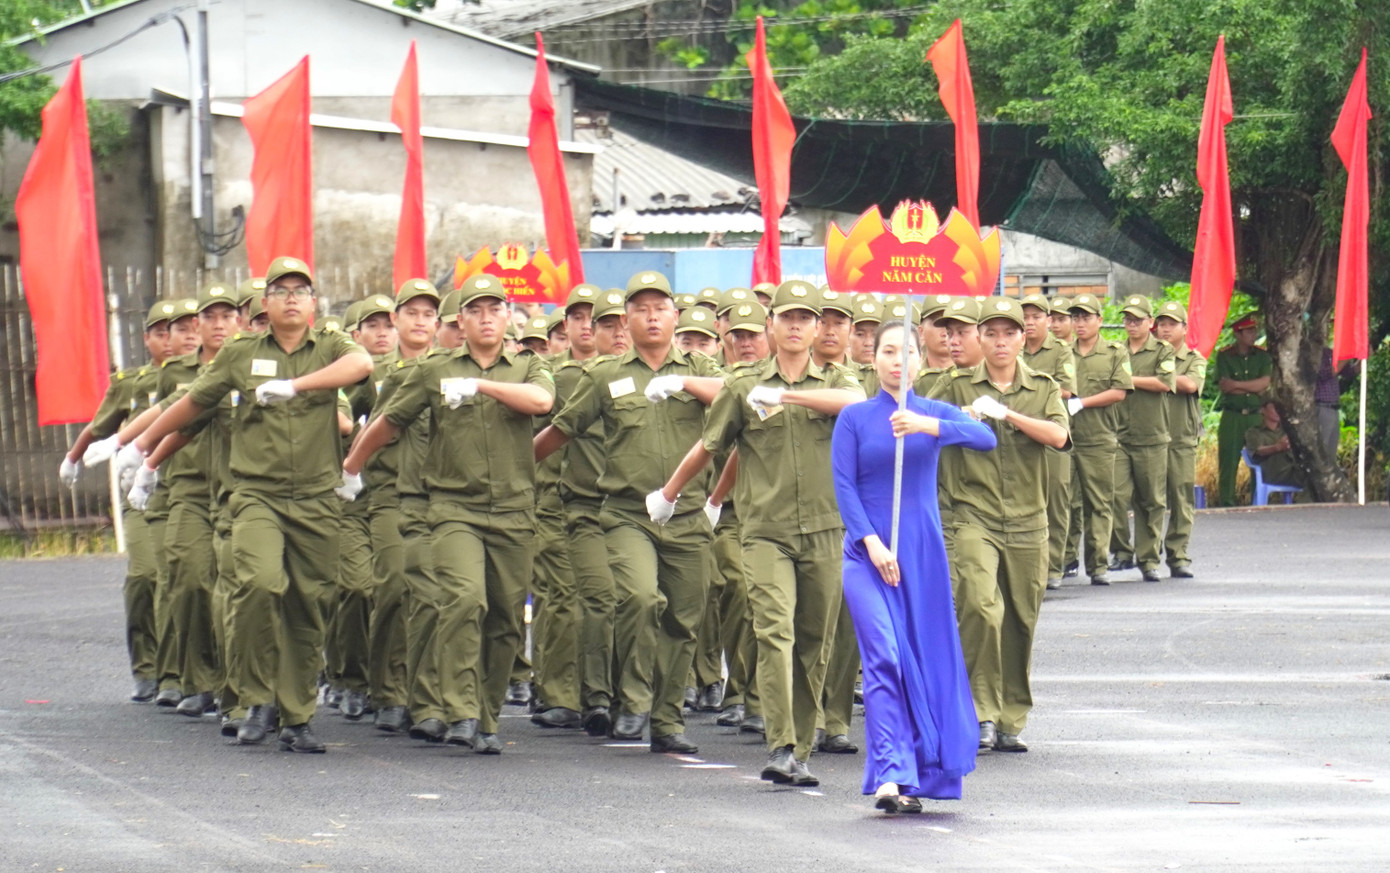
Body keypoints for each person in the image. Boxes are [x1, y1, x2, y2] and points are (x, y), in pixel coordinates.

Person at [126, 256, 374, 753]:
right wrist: (141, 448)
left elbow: (362, 366)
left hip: (316, 498)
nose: (290, 299)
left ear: (313, 302)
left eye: (299, 291)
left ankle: (296, 715)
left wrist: (297, 385)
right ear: (265, 303)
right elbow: (194, 403)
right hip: (257, 495)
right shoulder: (240, 354)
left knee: (308, 604)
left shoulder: (330, 346)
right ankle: (255, 698)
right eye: (280, 291)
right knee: (258, 585)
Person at [656, 280, 865, 786]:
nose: (795, 326)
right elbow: (711, 446)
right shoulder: (743, 384)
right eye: (786, 317)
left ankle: (803, 745)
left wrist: (788, 396)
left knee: (814, 641)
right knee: (774, 631)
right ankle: (781, 743)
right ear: (771, 325)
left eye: (805, 318)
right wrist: (670, 494)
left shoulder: (838, 379)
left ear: (817, 328)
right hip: (765, 530)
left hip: (825, 527)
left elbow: (855, 402)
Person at [344, 274, 554, 754]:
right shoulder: (434, 370)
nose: (485, 318)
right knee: (463, 600)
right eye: (475, 311)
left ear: (508, 316)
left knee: (505, 618)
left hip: (514, 511)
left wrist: (480, 385)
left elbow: (543, 402)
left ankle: (486, 715)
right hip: (453, 508)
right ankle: (460, 710)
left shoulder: (528, 365)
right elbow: (389, 421)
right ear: (460, 320)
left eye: (494, 309)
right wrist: (352, 466)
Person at [535, 271, 724, 754]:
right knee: (639, 599)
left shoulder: (701, 366)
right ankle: (634, 701)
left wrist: (684, 382)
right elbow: (562, 429)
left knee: (683, 620)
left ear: (675, 316)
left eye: (660, 309)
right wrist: (514, 470)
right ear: (626, 319)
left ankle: (667, 720)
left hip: (687, 515)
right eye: (640, 309)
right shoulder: (605, 375)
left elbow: (734, 397)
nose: (651, 317)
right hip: (627, 514)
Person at [832, 320, 994, 812]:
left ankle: (919, 772)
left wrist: (928, 426)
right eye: (887, 351)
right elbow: (844, 487)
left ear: (920, 361)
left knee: (922, 658)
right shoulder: (854, 417)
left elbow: (985, 438)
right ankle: (890, 773)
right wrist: (871, 543)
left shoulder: (933, 411)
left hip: (921, 555)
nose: (897, 360)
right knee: (884, 656)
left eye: (906, 351)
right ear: (872, 358)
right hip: (867, 555)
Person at [930, 298, 1070, 753]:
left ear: (1022, 338)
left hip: (1029, 520)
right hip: (974, 514)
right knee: (979, 605)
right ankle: (982, 712)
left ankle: (1012, 716)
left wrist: (1006, 413)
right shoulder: (954, 386)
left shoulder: (1043, 387)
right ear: (980, 338)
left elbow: (1058, 436)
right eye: (990, 333)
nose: (1000, 341)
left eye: (1009, 333)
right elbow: (925, 423)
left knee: (1021, 621)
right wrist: (960, 420)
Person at [66, 301, 180, 703]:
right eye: (161, 332)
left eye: (177, 330)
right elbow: (99, 426)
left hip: (184, 489)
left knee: (181, 580)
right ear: (147, 339)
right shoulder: (132, 383)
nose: (170, 340)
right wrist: (73, 457)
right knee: (146, 574)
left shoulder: (200, 376)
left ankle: (177, 672)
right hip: (141, 495)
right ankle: (147, 668)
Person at [1066, 294, 1133, 586]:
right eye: (1076, 318)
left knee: (1099, 503)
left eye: (1086, 317)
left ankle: (1098, 565)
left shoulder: (1114, 353)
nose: (1080, 323)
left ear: (1100, 320)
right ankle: (1063, 562)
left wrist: (1082, 402)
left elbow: (1120, 391)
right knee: (1064, 503)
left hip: (1098, 438)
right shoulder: (1063, 352)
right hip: (1065, 437)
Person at [1108, 296, 1175, 583]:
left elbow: (1165, 383)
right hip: (1119, 435)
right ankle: (1122, 551)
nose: (1131, 324)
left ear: (1151, 322)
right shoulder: (1115, 350)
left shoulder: (1162, 350)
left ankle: (1148, 559)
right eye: (1127, 319)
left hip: (1151, 436)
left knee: (1152, 500)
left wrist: (1128, 380)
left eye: (1137, 319)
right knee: (1113, 494)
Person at [1019, 293, 1076, 590]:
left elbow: (1066, 389)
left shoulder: (1061, 350)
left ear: (1048, 320)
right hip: (1019, 434)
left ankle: (1054, 566)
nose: (1030, 322)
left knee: (1056, 499)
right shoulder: (1015, 348)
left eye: (1036, 317)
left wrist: (1031, 389)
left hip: (1051, 430)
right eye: (1025, 317)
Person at [1153, 301, 1206, 578]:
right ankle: (1147, 556)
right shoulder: (1146, 355)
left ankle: (1178, 555)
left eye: (1172, 324)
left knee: (1181, 498)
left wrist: (1161, 375)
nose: (1165, 329)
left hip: (1180, 438)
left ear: (1184, 328)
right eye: (1161, 324)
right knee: (1149, 499)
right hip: (1149, 436)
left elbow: (1191, 384)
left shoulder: (1194, 359)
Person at [1214, 315, 1271, 506]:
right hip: (1233, 415)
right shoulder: (1225, 356)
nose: (1254, 334)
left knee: (1259, 459)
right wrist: (1253, 386)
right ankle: (1226, 503)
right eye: (1249, 331)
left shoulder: (1262, 356)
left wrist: (1237, 384)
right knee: (1228, 461)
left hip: (1255, 415)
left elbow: (1265, 383)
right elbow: (1225, 386)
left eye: (1254, 330)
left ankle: (1257, 502)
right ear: (1238, 334)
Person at [1245, 399, 1309, 491]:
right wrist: (1278, 447)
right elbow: (1257, 451)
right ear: (1263, 410)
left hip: (1292, 470)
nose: (1278, 411)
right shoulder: (1254, 432)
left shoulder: (1287, 430)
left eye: (1280, 408)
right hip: (1273, 473)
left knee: (1316, 474)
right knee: (1312, 479)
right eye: (1274, 407)